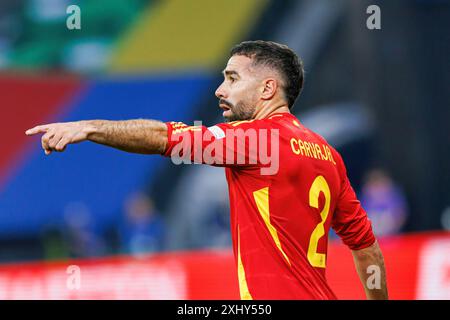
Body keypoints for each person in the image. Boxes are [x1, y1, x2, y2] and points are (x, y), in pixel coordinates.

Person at [25, 40, 388, 300]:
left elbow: (165, 137)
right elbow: (367, 248)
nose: (220, 89)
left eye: (232, 78)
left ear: (267, 89)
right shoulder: (327, 154)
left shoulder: (254, 140)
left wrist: (91, 127)